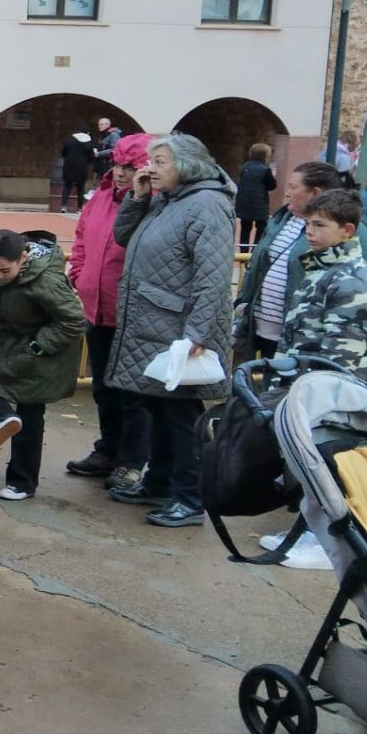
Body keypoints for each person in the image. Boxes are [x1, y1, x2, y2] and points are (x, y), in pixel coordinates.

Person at [106, 134, 238, 528]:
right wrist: (139, 197)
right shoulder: (167, 199)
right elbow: (123, 237)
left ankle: (190, 497)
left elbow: (213, 276)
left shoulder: (208, 205)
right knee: (157, 408)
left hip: (179, 330)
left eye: (160, 161)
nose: (151, 168)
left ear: (187, 164)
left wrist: (197, 333)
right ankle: (160, 481)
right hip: (152, 324)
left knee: (181, 417)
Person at [0, 229, 87, 501]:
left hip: (45, 349)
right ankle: (0, 419)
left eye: (4, 271)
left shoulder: (48, 280)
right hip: (13, 338)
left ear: (24, 257)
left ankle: (22, 482)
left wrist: (38, 346)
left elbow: (74, 321)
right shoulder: (8, 270)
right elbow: (6, 304)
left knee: (30, 410)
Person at [65, 133, 153, 494]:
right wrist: (78, 272)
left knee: (132, 395)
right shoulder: (99, 197)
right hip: (96, 307)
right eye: (118, 164)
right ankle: (109, 450)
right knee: (104, 388)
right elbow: (82, 237)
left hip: (131, 313)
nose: (121, 173)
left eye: (130, 167)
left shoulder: (151, 203)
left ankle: (132, 461)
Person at [234, 160, 367, 362]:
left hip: (305, 339)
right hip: (265, 327)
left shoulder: (353, 237)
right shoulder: (282, 218)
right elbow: (258, 263)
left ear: (315, 193)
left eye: (293, 187)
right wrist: (243, 299)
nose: (287, 192)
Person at [282, 188, 367, 382]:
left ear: (347, 230)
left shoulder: (351, 280)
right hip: (305, 385)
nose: (309, 231)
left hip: (329, 397)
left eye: (319, 225)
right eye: (307, 223)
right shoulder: (322, 268)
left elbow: (341, 360)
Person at [236, 143, 277, 251]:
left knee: (245, 228)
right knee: (261, 228)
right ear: (266, 156)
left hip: (244, 204)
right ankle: (255, 252)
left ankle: (243, 252)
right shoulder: (265, 170)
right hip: (260, 205)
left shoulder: (245, 167)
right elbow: (272, 186)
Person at [59, 131, 94, 213]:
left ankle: (64, 206)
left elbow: (63, 152)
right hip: (82, 167)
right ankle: (79, 208)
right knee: (81, 188)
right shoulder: (88, 142)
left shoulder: (70, 139)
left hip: (69, 165)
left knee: (67, 186)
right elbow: (91, 157)